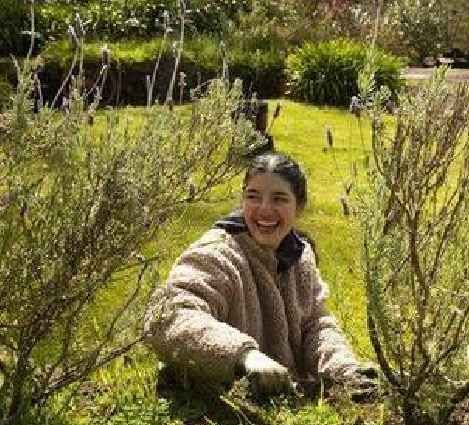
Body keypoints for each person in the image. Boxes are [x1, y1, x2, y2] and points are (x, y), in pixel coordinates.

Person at [144, 153, 376, 398]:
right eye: (253, 196)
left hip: (285, 408)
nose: (264, 210)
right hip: (219, 411)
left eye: (279, 199)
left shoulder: (298, 256)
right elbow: (168, 316)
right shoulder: (217, 254)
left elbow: (315, 325)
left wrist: (344, 369)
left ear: (299, 207)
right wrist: (244, 355)